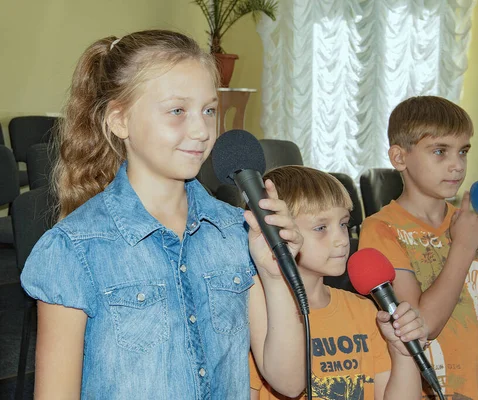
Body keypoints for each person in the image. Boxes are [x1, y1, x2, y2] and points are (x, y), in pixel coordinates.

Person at [20, 30, 305, 399]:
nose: (202, 131)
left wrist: (275, 276)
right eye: (177, 110)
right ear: (119, 121)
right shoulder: (73, 249)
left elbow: (289, 379)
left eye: (209, 110)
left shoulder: (235, 232)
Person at [359, 96, 478, 399]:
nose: (457, 165)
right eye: (440, 151)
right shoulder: (381, 230)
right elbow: (422, 328)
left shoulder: (475, 224)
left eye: (463, 151)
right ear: (400, 158)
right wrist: (463, 249)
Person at [249, 166, 427, 400]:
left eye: (343, 224)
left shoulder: (365, 311)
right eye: (321, 228)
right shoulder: (259, 316)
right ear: (276, 232)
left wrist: (403, 356)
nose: (342, 240)